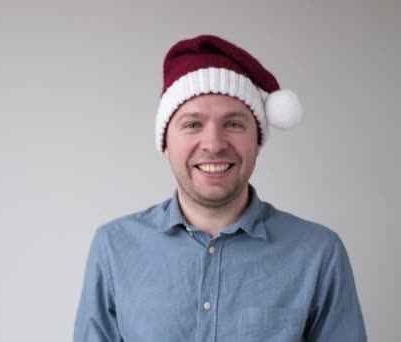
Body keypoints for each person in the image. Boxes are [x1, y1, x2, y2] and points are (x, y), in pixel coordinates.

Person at [74, 34, 367, 342]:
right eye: (192, 124)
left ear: (258, 141)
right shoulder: (114, 247)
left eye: (233, 124)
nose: (213, 144)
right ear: (165, 144)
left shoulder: (318, 253)